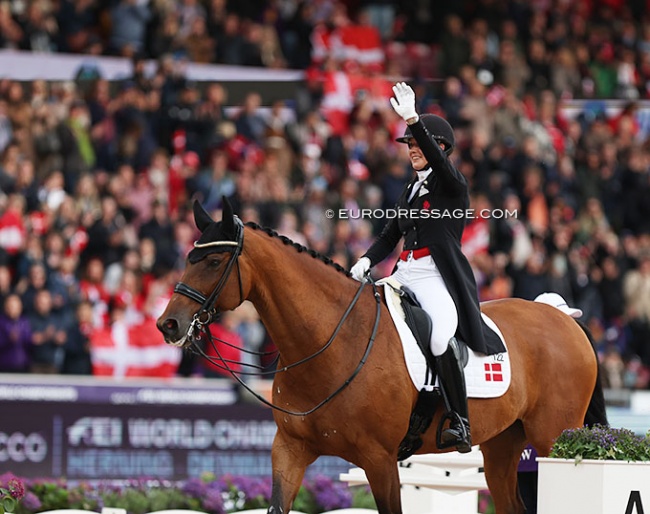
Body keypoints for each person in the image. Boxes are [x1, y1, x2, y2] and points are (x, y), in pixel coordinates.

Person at [350, 82, 504, 453]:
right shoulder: (409, 191)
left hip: (436, 276)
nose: (414, 150)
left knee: (438, 337)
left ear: (441, 149)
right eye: (410, 145)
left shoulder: (453, 186)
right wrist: (367, 260)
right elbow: (390, 235)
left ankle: (460, 420)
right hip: (403, 273)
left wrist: (415, 120)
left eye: (419, 145)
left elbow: (442, 168)